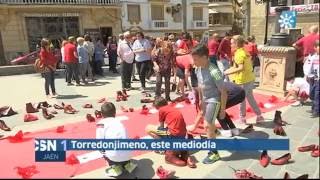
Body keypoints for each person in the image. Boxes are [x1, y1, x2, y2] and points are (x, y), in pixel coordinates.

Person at [191, 44, 228, 164]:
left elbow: (223, 91)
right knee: (209, 126)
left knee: (207, 125)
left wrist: (222, 110)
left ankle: (214, 153)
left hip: (214, 99)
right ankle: (213, 133)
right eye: (193, 59)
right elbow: (201, 86)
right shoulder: (198, 69)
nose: (194, 62)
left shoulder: (214, 71)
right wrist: (201, 100)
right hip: (205, 99)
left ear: (205, 57)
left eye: (196, 59)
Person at [145, 97, 195, 168]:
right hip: (183, 134)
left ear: (158, 106)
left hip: (173, 134)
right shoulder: (172, 108)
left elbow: (161, 126)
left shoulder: (161, 110)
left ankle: (163, 147)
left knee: (148, 128)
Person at [224, 35, 264, 124]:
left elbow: (240, 68)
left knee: (241, 99)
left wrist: (227, 72)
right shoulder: (244, 51)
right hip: (250, 78)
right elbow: (237, 66)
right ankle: (259, 115)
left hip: (243, 80)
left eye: (231, 44)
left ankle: (242, 118)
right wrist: (228, 70)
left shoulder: (238, 54)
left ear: (236, 43)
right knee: (250, 98)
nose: (230, 45)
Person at [96, 102, 137, 177]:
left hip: (113, 156)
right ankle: (127, 164)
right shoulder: (119, 122)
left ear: (101, 114)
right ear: (115, 113)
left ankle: (115, 167)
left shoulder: (100, 124)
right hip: (128, 154)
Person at [303, 40, 319, 118]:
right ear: (315, 48)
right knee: (312, 94)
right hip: (312, 77)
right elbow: (308, 66)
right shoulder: (313, 56)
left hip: (318, 79)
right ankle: (313, 108)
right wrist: (306, 75)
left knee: (317, 95)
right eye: (318, 47)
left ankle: (316, 111)